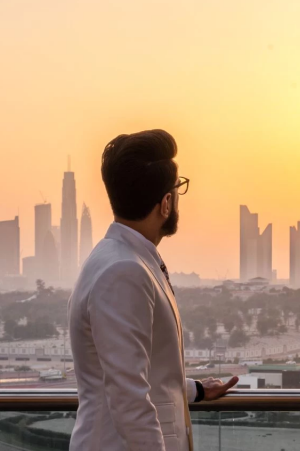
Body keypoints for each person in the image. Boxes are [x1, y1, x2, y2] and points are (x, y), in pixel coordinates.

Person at [69, 130, 238, 450]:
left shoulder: (119, 258)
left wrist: (195, 390)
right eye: (178, 189)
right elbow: (129, 399)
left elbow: (134, 373)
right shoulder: (123, 271)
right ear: (166, 203)